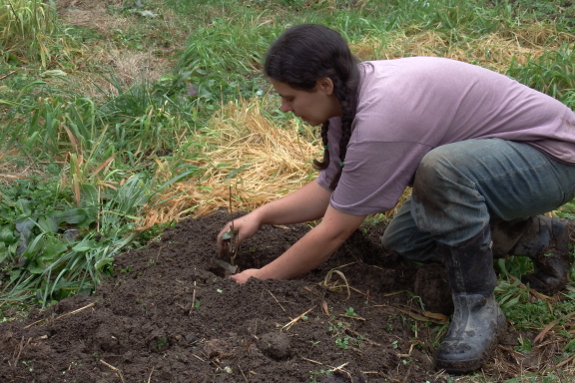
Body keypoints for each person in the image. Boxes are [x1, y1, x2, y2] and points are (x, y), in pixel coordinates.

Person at [216, 24, 575, 374]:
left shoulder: (381, 116)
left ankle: (478, 308)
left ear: (323, 85)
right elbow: (331, 191)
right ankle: (545, 238)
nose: (283, 107)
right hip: (507, 165)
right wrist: (261, 216)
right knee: (405, 240)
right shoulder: (348, 98)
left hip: (553, 161)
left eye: (289, 96)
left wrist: (263, 277)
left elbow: (334, 231)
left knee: (442, 169)